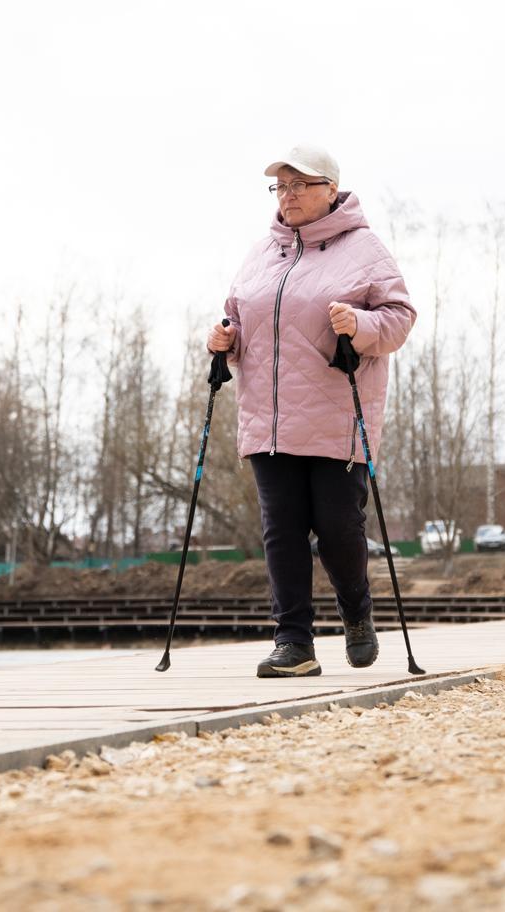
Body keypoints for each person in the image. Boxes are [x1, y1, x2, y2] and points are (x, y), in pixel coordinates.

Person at [207, 145, 416, 678]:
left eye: (300, 184)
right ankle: (294, 643)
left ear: (331, 189)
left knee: (339, 529)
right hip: (266, 418)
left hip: (335, 417)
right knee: (282, 530)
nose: (289, 194)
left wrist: (361, 326)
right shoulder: (261, 252)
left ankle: (356, 614)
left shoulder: (364, 249)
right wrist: (222, 339)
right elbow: (238, 318)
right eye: (281, 186)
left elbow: (398, 317)